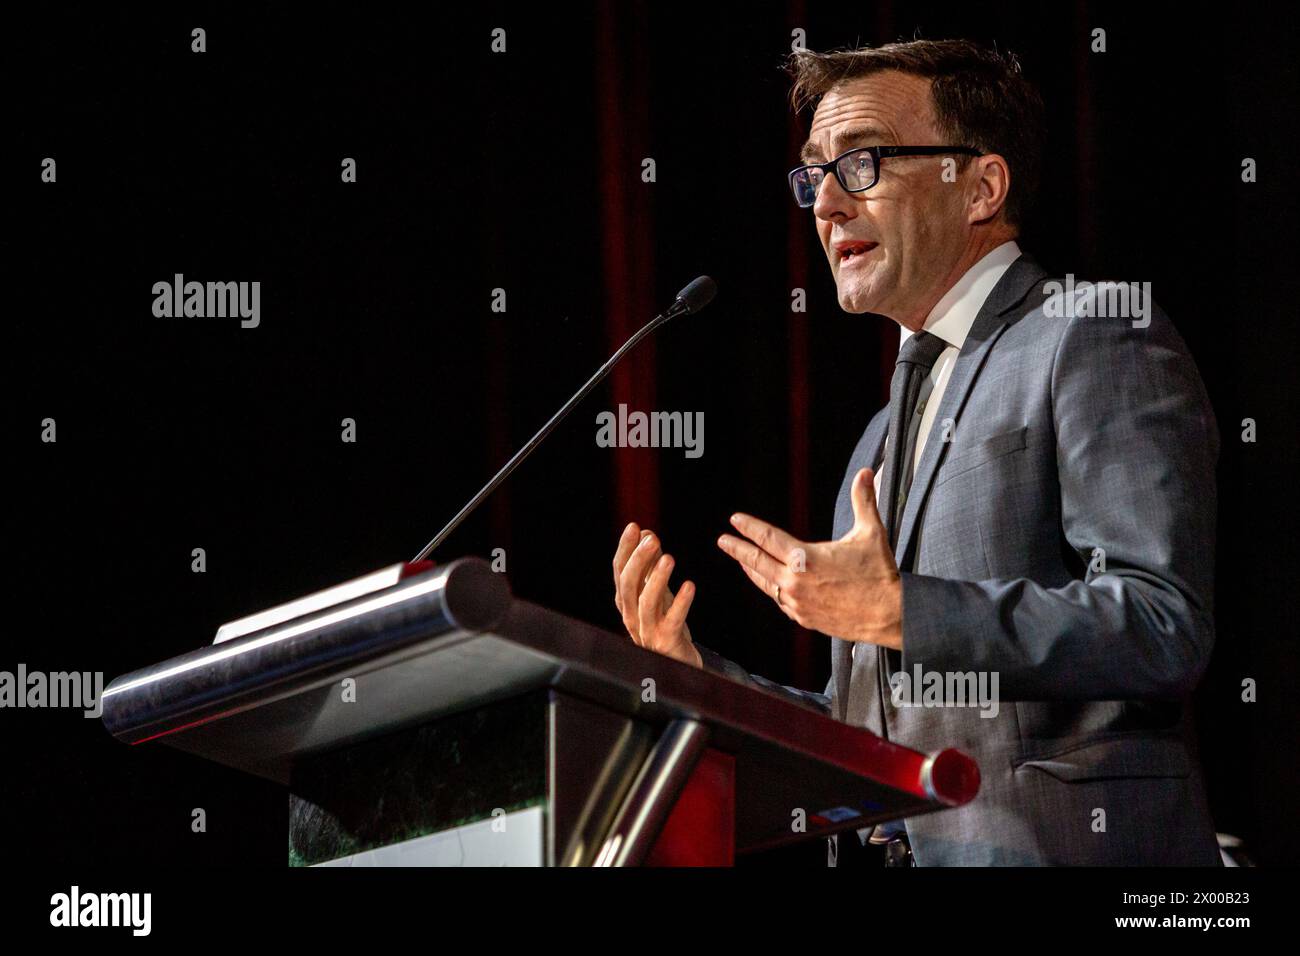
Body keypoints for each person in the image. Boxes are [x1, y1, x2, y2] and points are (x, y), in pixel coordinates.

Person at [611, 39, 1221, 866]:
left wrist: (905, 611)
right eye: (813, 174)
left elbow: (1161, 624)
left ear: (980, 186)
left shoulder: (1091, 332)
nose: (825, 205)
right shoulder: (878, 437)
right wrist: (698, 680)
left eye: (860, 163)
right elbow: (862, 732)